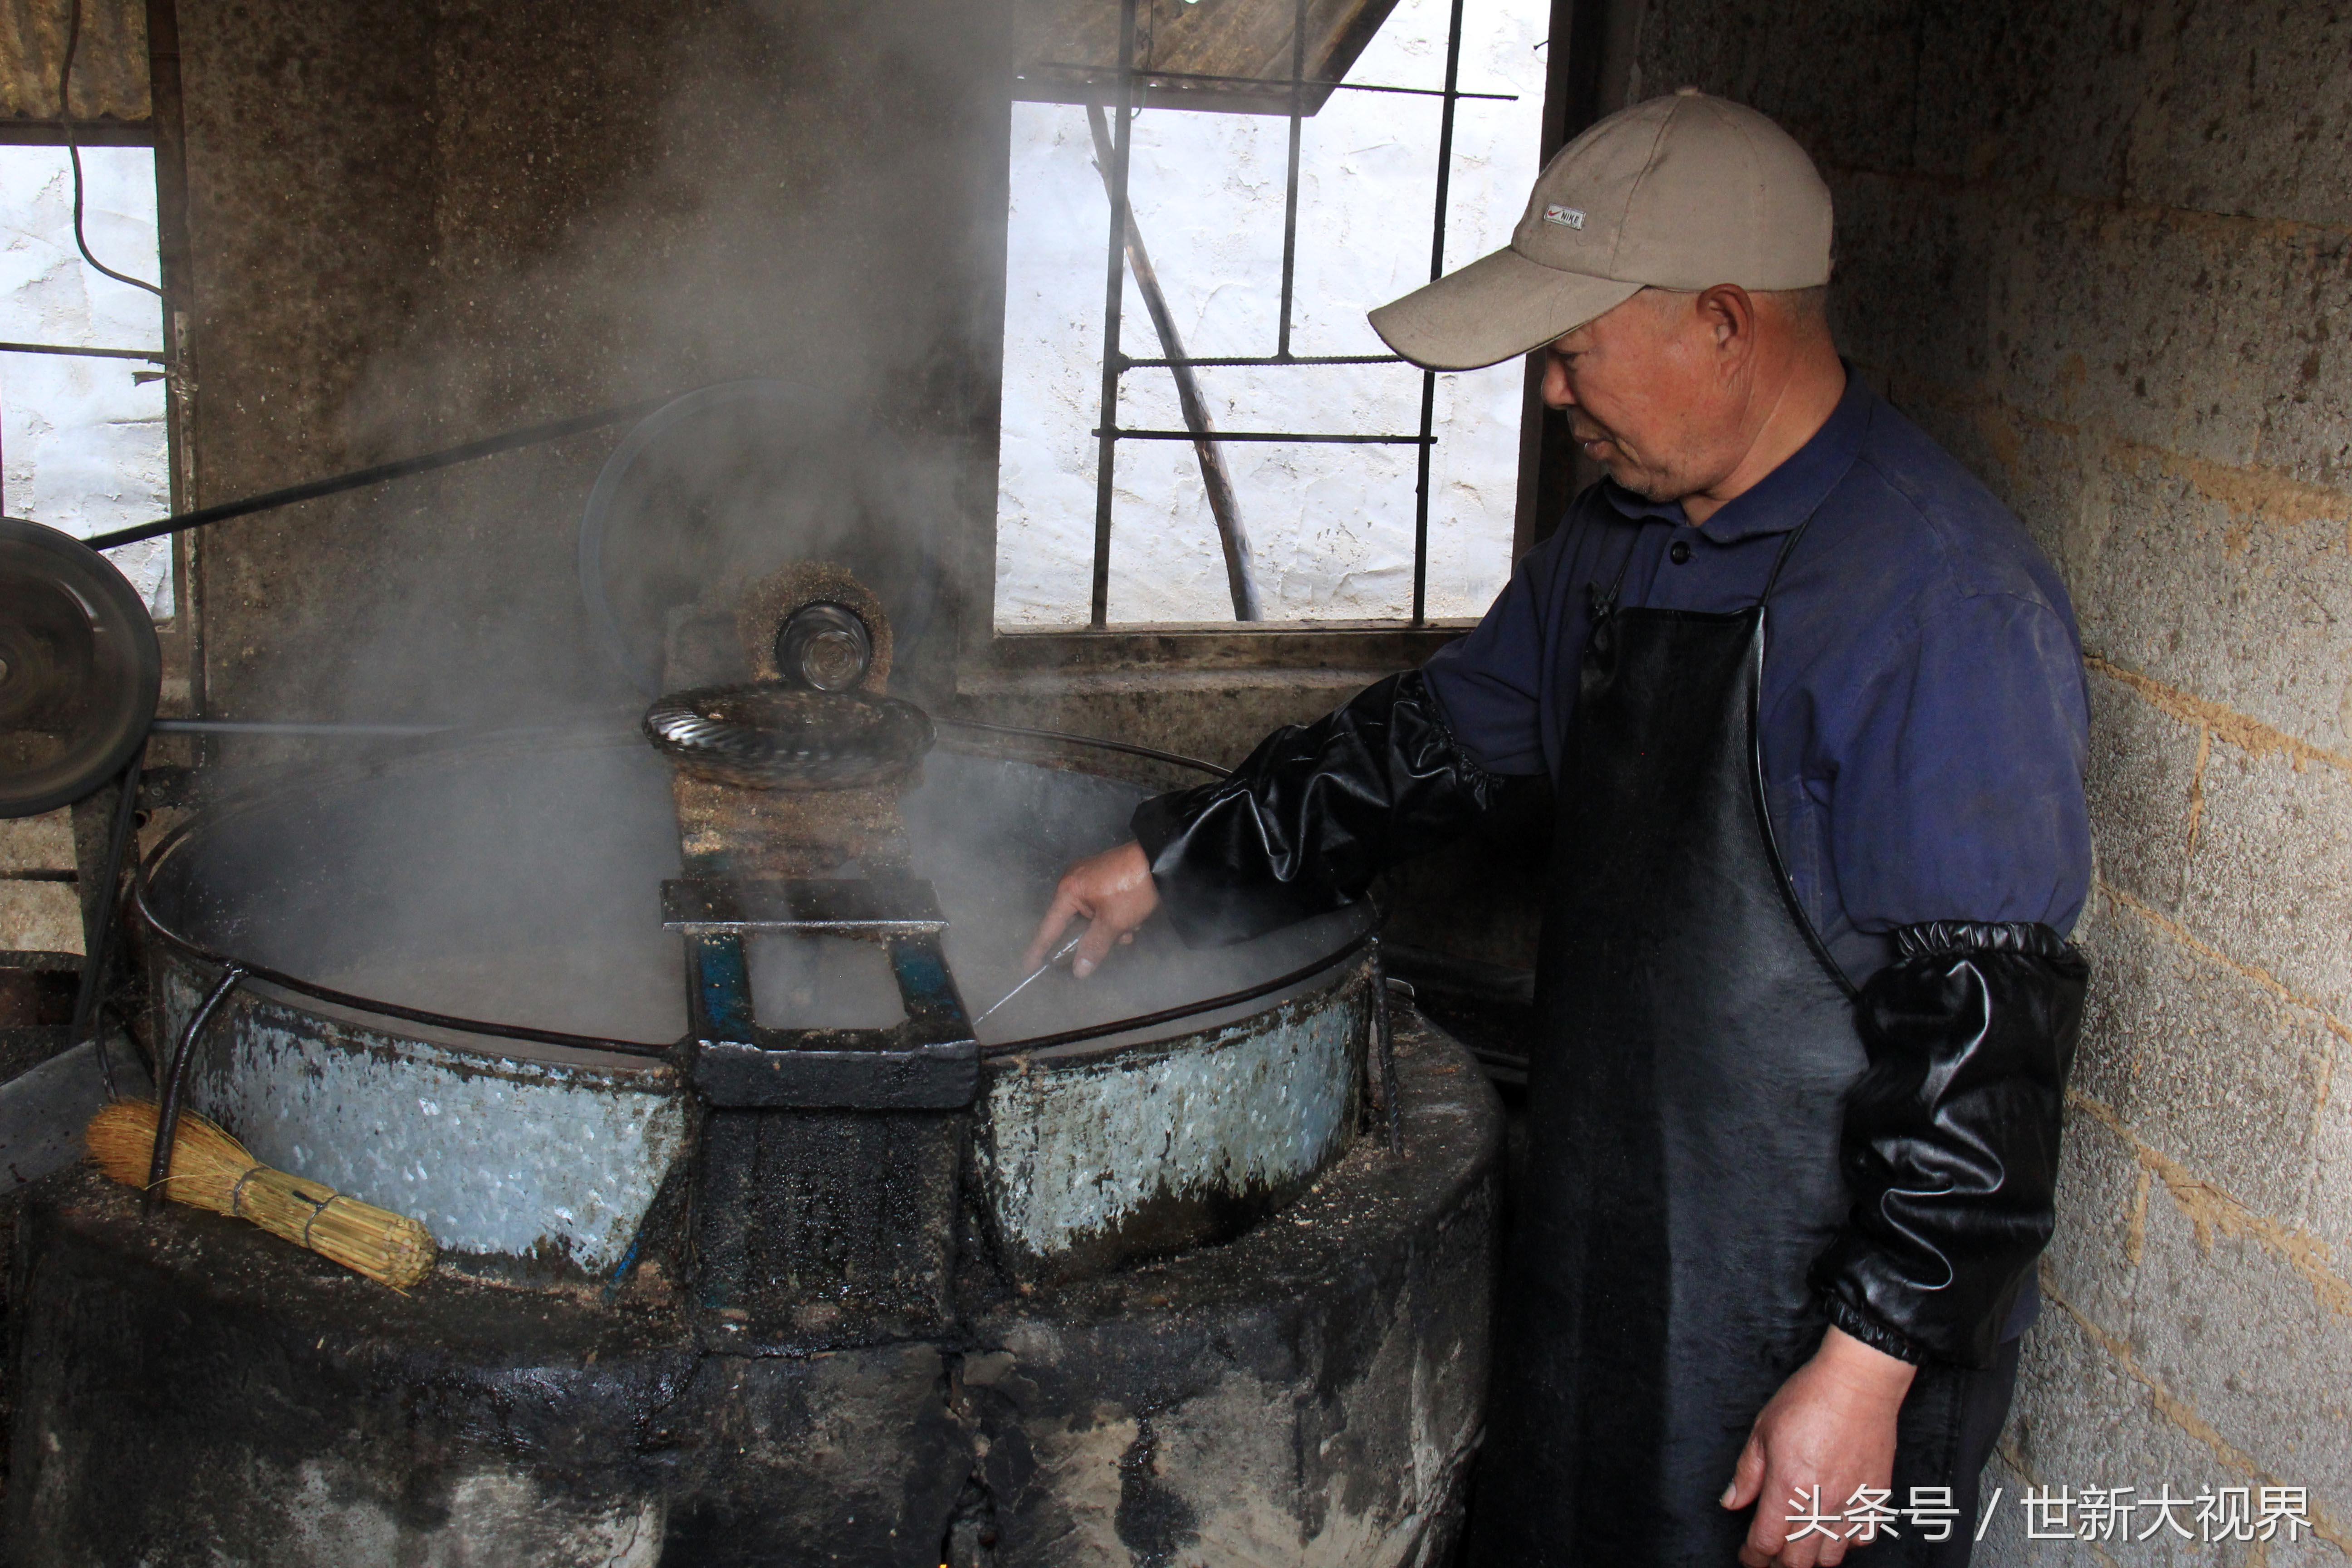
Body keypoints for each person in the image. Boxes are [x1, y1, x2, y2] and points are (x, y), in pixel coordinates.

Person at [1023, 89, 2088, 1568]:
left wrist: (1865, 1370)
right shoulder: (1621, 543)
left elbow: (1987, 1040)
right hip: (1606, 1248)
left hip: (1810, 1325)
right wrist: (1177, 857)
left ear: (1726, 322)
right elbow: (1423, 749)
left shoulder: (1935, 609)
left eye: (1574, 351)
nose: (1550, 394)